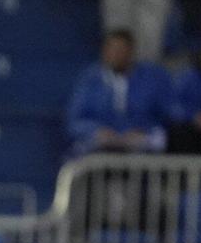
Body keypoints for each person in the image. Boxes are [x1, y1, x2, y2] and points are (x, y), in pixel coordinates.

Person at [66, 28, 172, 157]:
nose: (115, 55)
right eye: (111, 49)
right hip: (99, 148)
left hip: (141, 147)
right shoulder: (91, 80)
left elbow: (168, 115)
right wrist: (96, 131)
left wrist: (144, 131)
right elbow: (75, 121)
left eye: (121, 50)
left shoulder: (152, 78)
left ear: (131, 52)